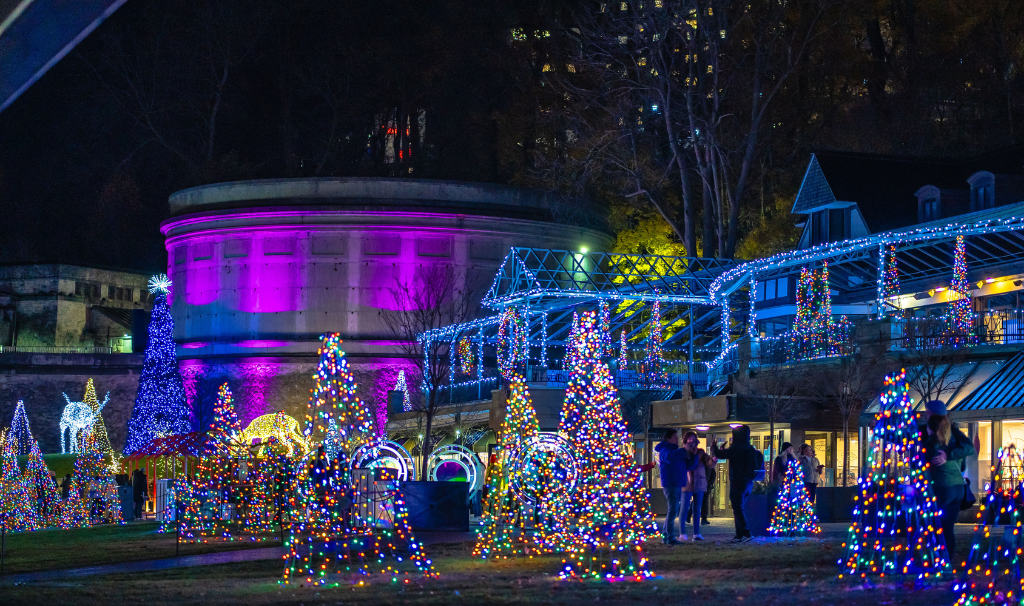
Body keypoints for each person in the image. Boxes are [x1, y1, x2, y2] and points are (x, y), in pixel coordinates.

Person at [923, 413, 975, 561]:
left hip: (943, 489)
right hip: (958, 489)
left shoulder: (931, 445)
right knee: (948, 527)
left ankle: (937, 559)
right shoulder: (955, 445)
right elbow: (962, 466)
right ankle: (948, 560)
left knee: (935, 526)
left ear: (932, 429)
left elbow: (920, 465)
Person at [711, 424, 761, 542]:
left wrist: (714, 447)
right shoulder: (749, 448)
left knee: (737, 508)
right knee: (739, 509)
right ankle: (739, 535)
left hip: (738, 482)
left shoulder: (736, 448)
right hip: (748, 482)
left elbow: (720, 455)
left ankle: (746, 533)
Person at [655, 429, 699, 545]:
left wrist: (693, 455)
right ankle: (669, 537)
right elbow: (670, 458)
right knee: (673, 511)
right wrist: (684, 450)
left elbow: (688, 466)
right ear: (668, 439)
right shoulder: (665, 450)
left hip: (677, 483)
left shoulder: (676, 452)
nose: (677, 439)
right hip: (671, 484)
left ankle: (666, 535)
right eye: (675, 437)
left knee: (673, 511)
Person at [680, 431, 709, 541]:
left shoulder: (701, 453)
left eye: (693, 439)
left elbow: (709, 463)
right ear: (685, 440)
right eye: (689, 439)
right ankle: (682, 533)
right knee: (684, 508)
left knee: (697, 509)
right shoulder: (683, 452)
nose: (691, 441)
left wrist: (714, 459)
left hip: (699, 483)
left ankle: (696, 534)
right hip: (687, 484)